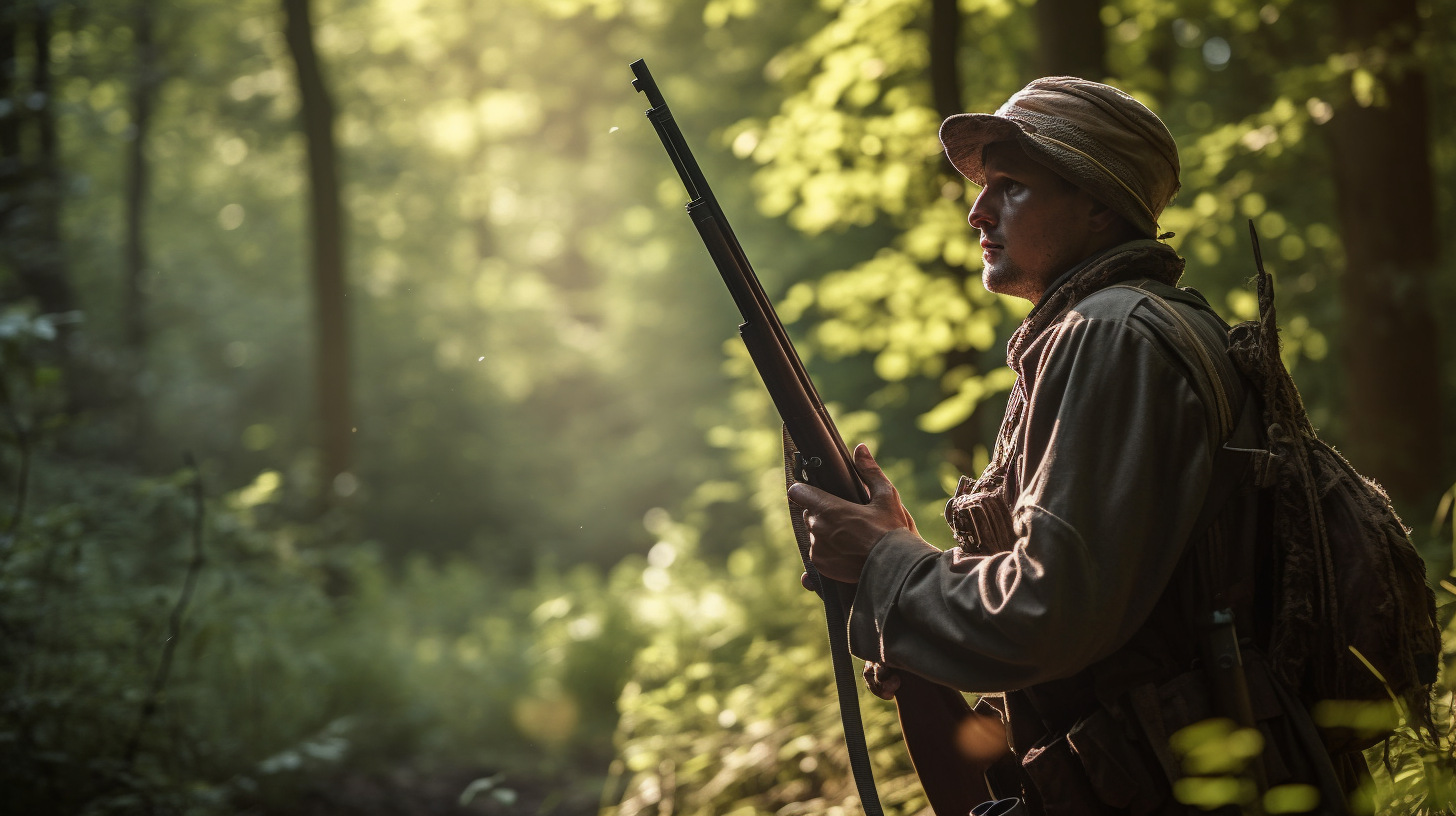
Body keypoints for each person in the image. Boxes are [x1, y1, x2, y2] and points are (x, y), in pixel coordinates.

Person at [787, 78, 1351, 815]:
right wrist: (918, 607)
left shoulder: (1109, 334)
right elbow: (1113, 630)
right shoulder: (1127, 328)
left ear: (1097, 204)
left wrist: (888, 567)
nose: (977, 210)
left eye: (1012, 186)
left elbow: (1046, 612)